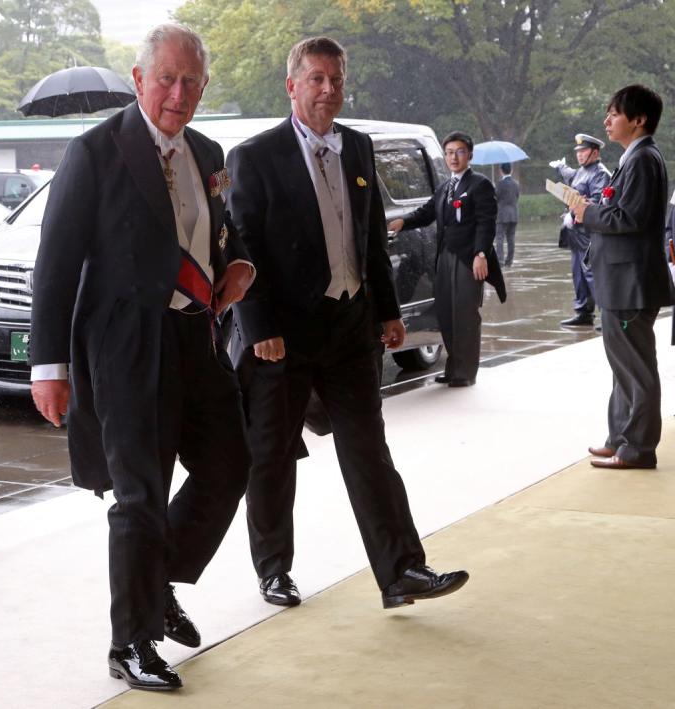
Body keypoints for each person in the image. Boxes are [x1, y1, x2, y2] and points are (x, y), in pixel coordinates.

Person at [27, 24, 254, 691]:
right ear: (138, 78)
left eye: (190, 82)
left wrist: (236, 265)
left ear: (204, 85)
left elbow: (221, 236)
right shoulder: (96, 151)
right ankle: (130, 642)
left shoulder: (208, 151)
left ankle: (156, 581)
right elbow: (56, 263)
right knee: (140, 493)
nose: (177, 94)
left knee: (230, 462)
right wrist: (49, 367)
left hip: (196, 338)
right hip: (124, 348)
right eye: (166, 79)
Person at [226, 36, 468, 613]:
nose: (328, 89)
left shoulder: (358, 149)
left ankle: (402, 570)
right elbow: (243, 243)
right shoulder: (254, 157)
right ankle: (273, 570)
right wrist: (258, 325)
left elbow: (370, 241)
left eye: (335, 78)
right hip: (280, 337)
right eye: (316, 79)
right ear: (292, 86)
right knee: (272, 455)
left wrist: (387, 310)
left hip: (350, 329)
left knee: (368, 451)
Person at [569, 85, 673, 469]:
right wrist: (595, 209)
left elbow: (633, 218)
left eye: (614, 113)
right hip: (620, 280)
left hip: (630, 281)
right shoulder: (634, 158)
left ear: (639, 119)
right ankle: (620, 438)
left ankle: (638, 448)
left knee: (636, 368)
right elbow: (624, 209)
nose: (607, 120)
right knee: (623, 365)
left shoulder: (644, 159)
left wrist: (587, 214)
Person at [389, 131, 506, 386]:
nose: (454, 157)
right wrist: (403, 221)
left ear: (470, 155)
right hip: (445, 257)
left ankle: (465, 373)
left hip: (468, 259)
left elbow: (487, 224)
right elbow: (427, 212)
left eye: (460, 152)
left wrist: (481, 254)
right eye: (450, 152)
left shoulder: (479, 184)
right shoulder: (445, 187)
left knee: (465, 315)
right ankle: (454, 368)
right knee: (447, 314)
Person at [550, 134, 611, 327]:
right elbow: (571, 176)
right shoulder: (582, 171)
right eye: (578, 152)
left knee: (593, 273)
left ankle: (607, 315)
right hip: (576, 232)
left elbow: (598, 203)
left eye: (583, 151)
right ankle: (583, 311)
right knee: (578, 274)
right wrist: (560, 167)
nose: (580, 155)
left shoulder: (600, 173)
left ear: (595, 152)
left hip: (590, 232)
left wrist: (575, 213)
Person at [494, 162, 519, 267]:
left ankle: (500, 261)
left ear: (501, 170)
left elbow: (496, 198)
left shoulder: (499, 184)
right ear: (511, 170)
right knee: (511, 238)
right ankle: (509, 261)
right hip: (514, 215)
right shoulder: (516, 184)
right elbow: (517, 197)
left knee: (499, 238)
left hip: (502, 215)